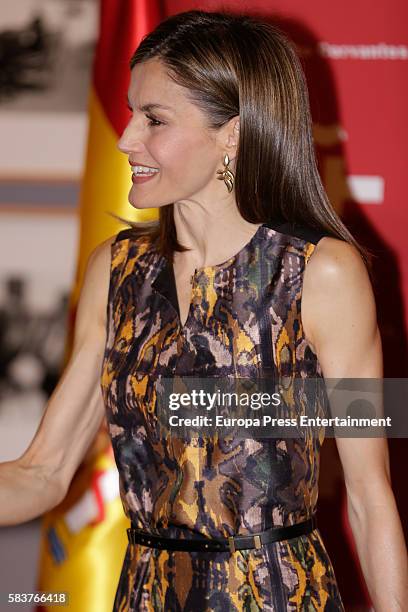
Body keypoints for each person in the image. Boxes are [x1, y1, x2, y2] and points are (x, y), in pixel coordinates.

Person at [1, 9, 407, 611]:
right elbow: (43, 473)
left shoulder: (323, 273)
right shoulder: (115, 270)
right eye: (132, 112)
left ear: (233, 134)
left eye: (154, 119)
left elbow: (370, 495)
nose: (125, 138)